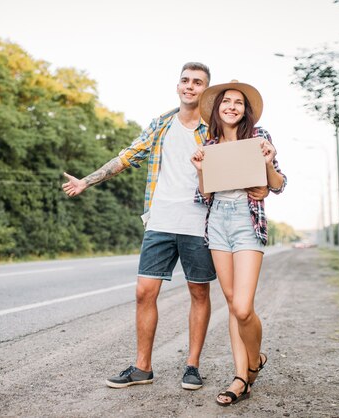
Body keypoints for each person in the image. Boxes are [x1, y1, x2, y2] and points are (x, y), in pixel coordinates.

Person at [62, 63, 269, 390]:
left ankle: (192, 365)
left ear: (206, 93)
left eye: (197, 82)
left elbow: (245, 171)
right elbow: (127, 157)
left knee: (199, 292)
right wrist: (87, 181)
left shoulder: (214, 131)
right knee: (145, 291)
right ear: (178, 86)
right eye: (185, 80)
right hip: (159, 219)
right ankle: (143, 367)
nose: (190, 86)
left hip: (199, 222)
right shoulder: (160, 124)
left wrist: (264, 185)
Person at [190, 80, 286, 406]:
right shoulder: (209, 144)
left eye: (238, 103)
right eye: (226, 101)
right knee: (232, 304)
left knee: (244, 307)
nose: (232, 106)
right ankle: (241, 376)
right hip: (217, 222)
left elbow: (278, 184)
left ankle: (255, 360)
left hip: (247, 222)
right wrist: (201, 169)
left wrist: (269, 162)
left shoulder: (259, 138)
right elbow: (204, 195)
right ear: (217, 109)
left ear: (245, 111)